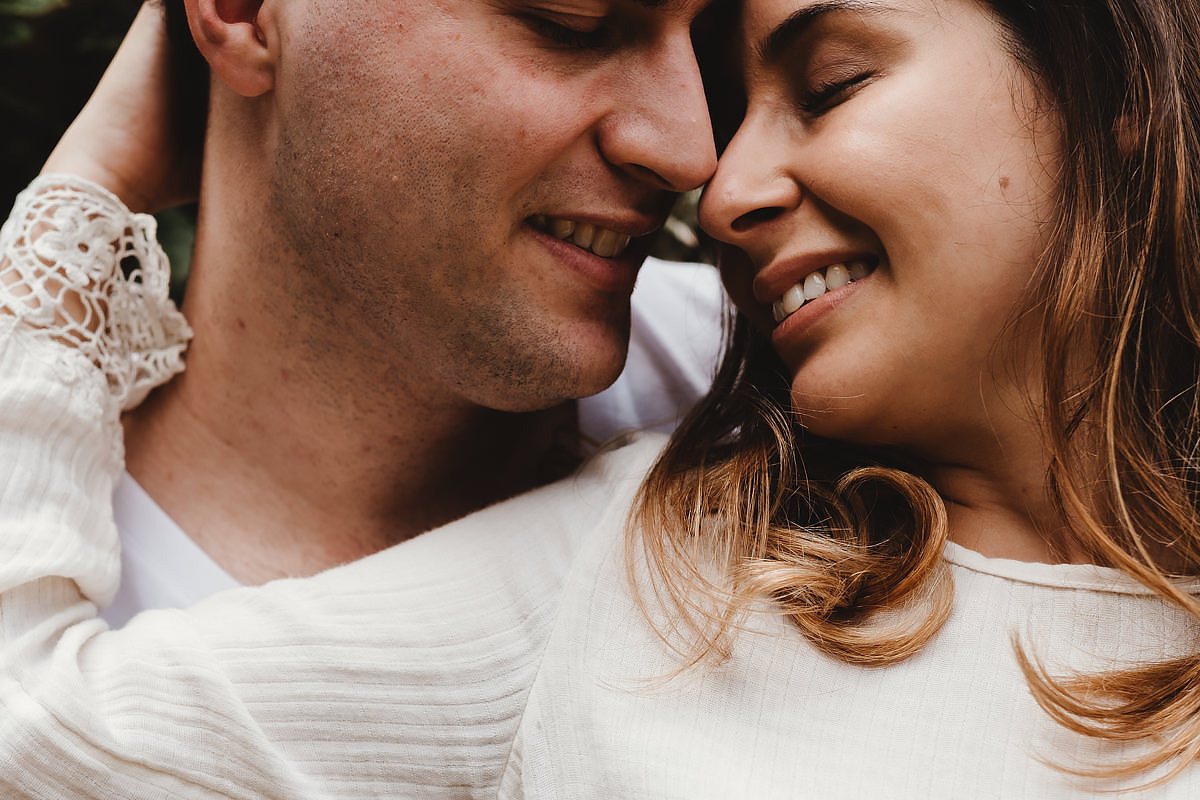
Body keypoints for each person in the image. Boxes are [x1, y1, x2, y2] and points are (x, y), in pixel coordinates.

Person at [5, 0, 1200, 798]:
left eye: (825, 87)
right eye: (572, 16)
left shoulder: (727, 383)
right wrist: (78, 193)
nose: (704, 165)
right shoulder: (667, 549)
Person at [41, 0, 724, 628]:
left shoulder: (772, 388)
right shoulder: (46, 577)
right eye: (568, 21)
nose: (692, 153)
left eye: (711, 44)